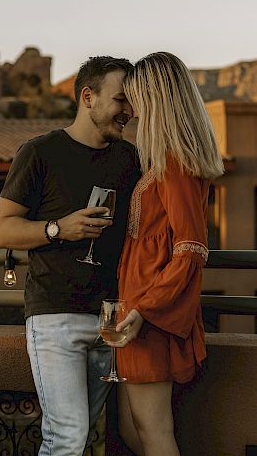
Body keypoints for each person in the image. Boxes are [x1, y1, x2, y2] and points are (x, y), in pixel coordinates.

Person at [0, 56, 141, 455]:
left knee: (81, 435)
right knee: (68, 437)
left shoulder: (129, 159)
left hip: (112, 320)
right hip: (55, 317)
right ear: (88, 97)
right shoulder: (40, 153)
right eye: (121, 100)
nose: (128, 111)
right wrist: (58, 228)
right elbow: (1, 230)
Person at [112, 52, 225, 456]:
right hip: (135, 316)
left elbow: (191, 248)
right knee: (132, 430)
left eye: (135, 95)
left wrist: (145, 309)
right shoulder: (161, 161)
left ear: (155, 96)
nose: (129, 105)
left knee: (153, 431)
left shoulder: (175, 164)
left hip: (151, 317)